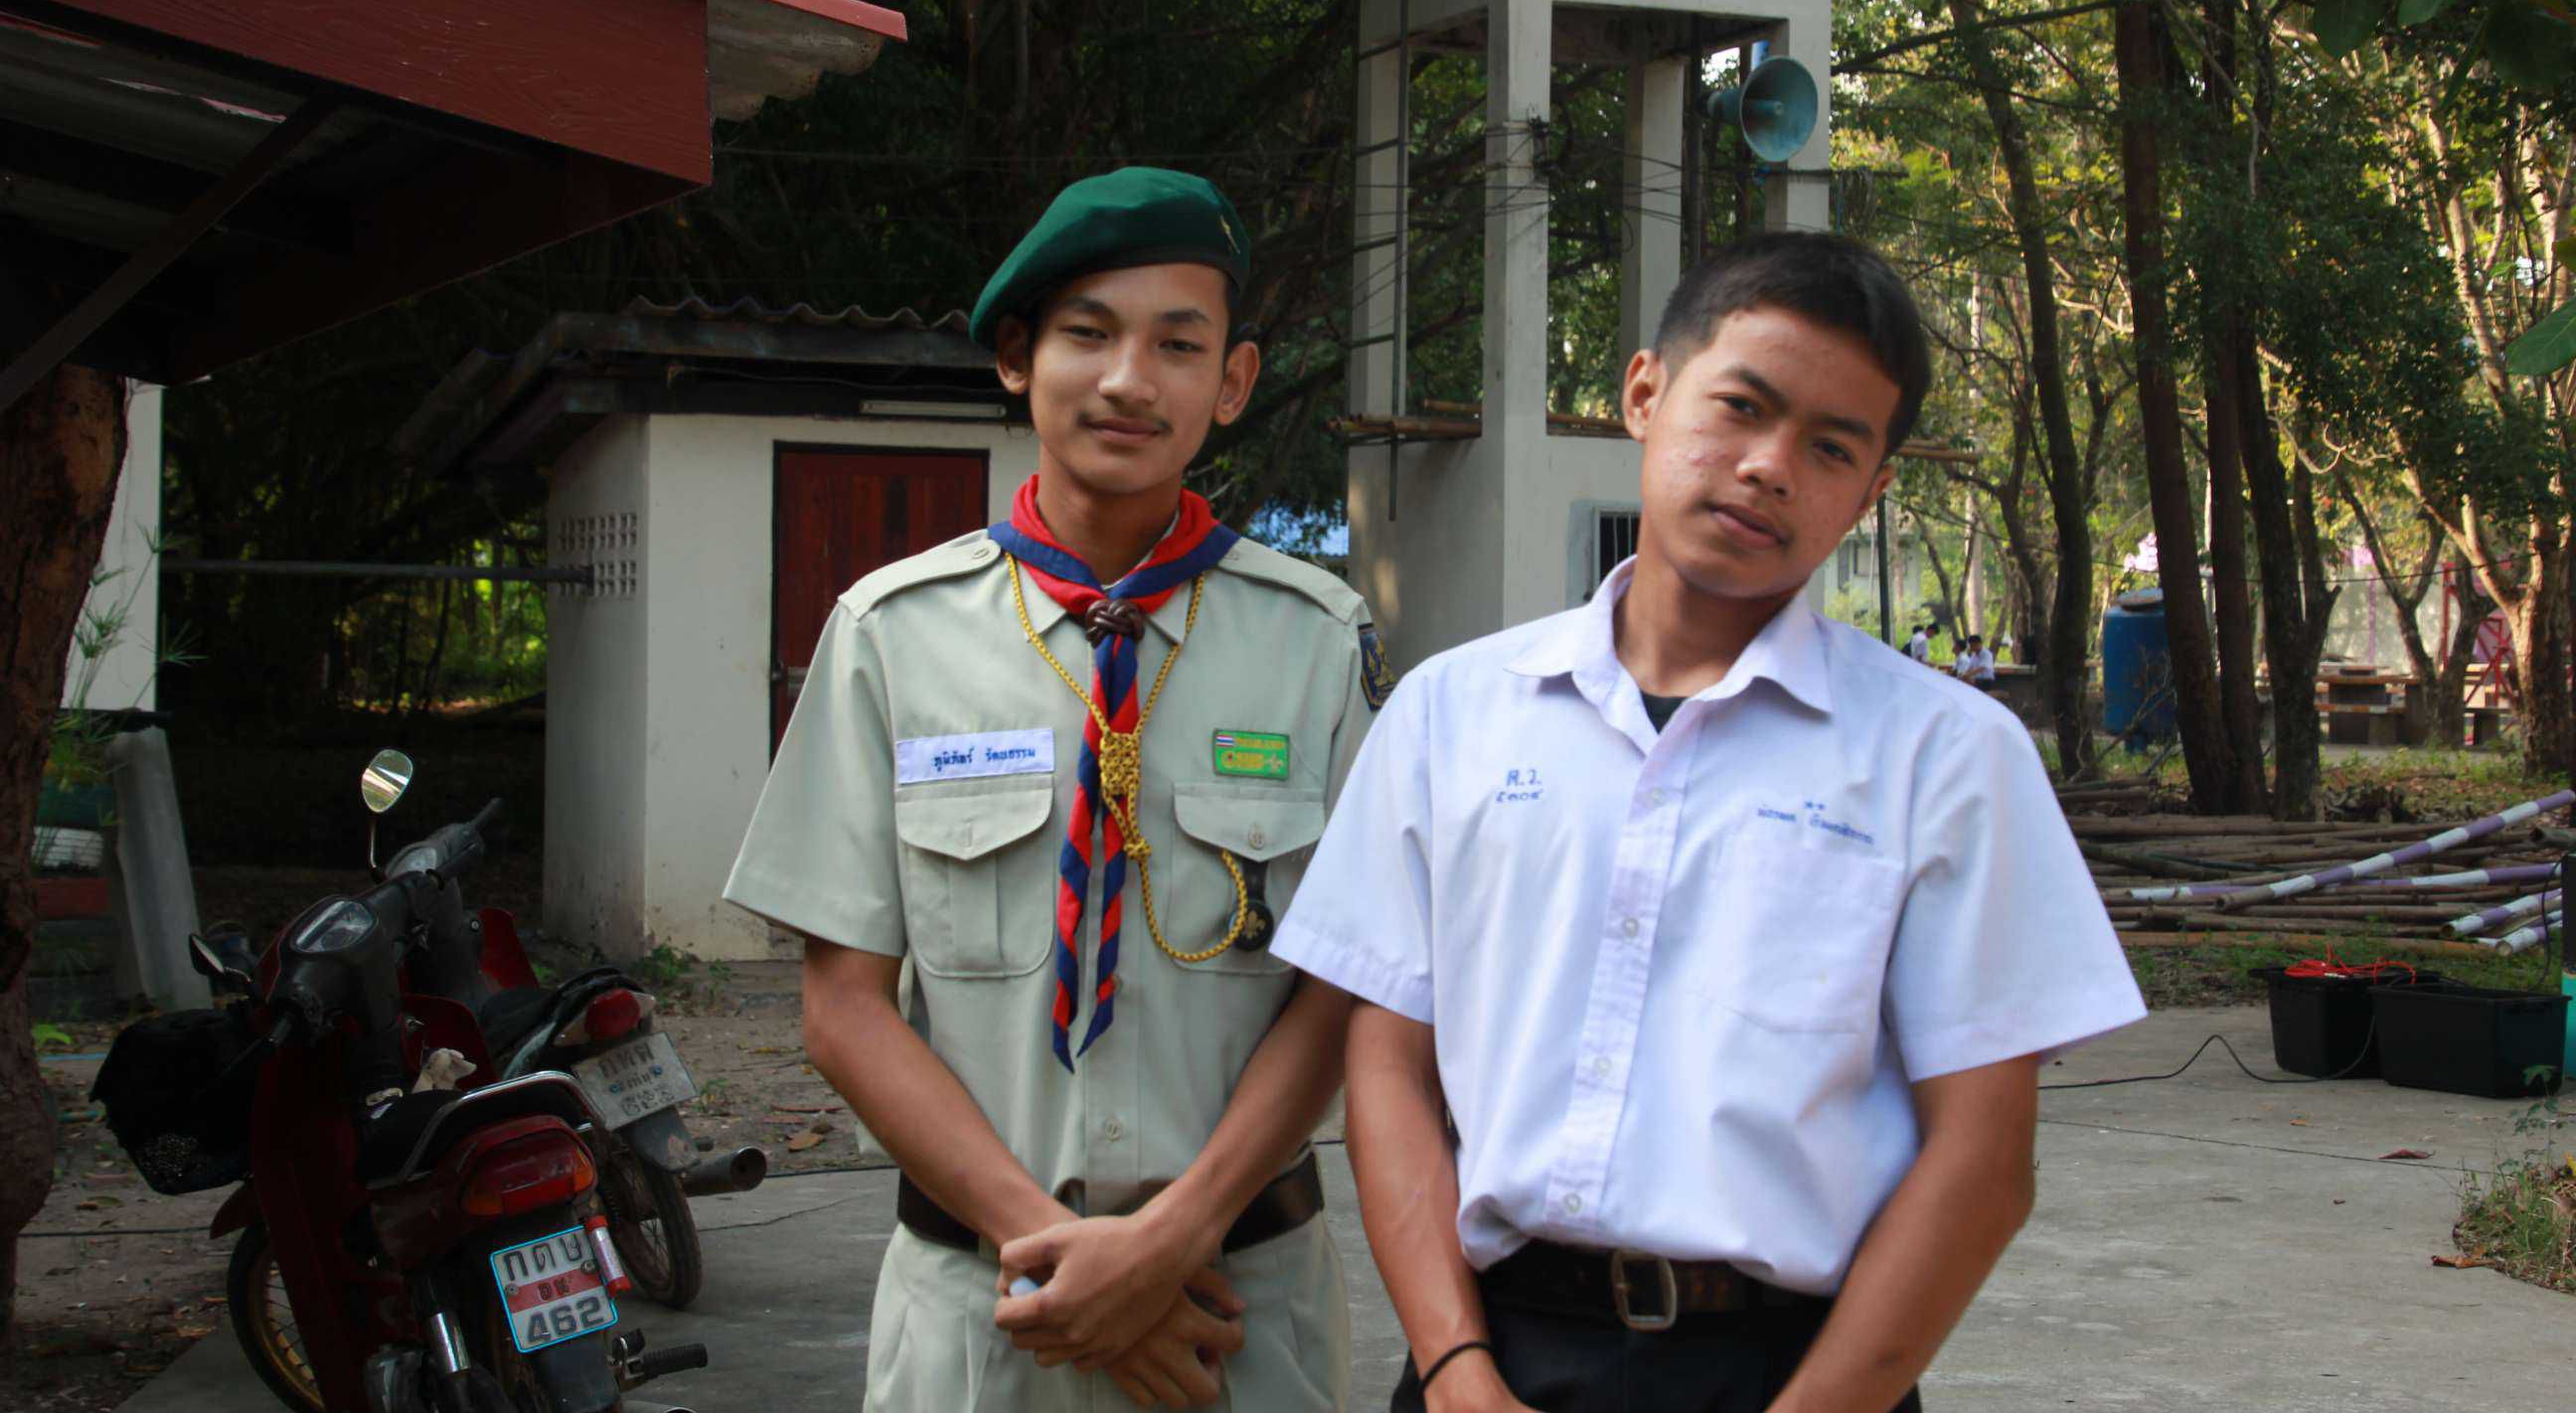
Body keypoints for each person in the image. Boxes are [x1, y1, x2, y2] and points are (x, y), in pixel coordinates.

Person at [1270, 233, 2145, 1413]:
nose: (1770, 467)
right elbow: (1388, 1066)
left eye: (1831, 448)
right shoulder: (1451, 715)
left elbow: (1983, 1163)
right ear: (1645, 393)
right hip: (1494, 1355)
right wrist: (1454, 1369)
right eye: (1742, 407)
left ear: (1873, 490)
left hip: (1797, 1372)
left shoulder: (1945, 757)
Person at [724, 166, 1385, 1412]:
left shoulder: (1315, 643)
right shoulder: (891, 636)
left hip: (1236, 1314)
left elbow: (1343, 988)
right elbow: (844, 1008)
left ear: (1232, 381)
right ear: (1018, 359)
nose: (1129, 380)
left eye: (1177, 345)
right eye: (1088, 334)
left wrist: (1169, 1242)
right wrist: (1061, 1265)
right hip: (986, 1319)